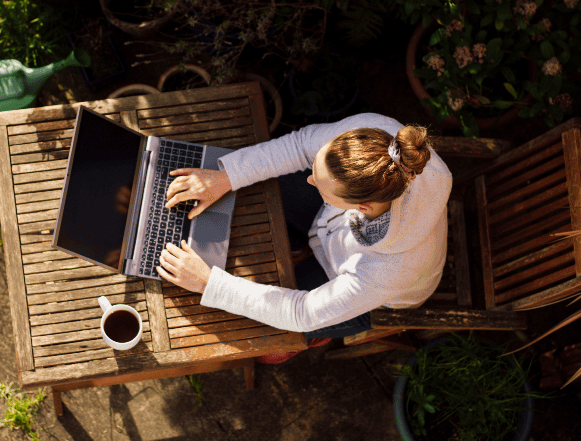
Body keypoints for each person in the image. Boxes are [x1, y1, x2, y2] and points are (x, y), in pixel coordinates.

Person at [157, 113, 452, 352]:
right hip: (336, 228)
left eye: (320, 185)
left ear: (361, 206)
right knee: (271, 182)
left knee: (264, 336)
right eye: (315, 168)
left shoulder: (389, 270)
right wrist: (226, 177)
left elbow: (302, 313)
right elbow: (299, 146)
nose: (309, 179)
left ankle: (304, 262)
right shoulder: (374, 136)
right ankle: (301, 243)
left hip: (371, 292)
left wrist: (209, 283)